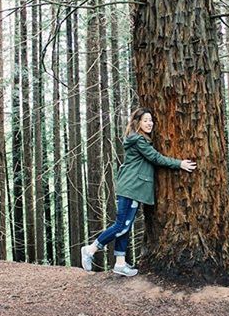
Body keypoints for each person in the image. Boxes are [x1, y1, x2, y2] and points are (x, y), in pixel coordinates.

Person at [80, 107, 197, 277]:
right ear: (138, 123)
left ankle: (120, 264)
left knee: (125, 227)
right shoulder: (138, 141)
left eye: (151, 120)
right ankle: (90, 249)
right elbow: (155, 158)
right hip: (130, 188)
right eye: (145, 120)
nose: (150, 123)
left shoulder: (139, 139)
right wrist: (179, 164)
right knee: (121, 225)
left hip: (133, 188)